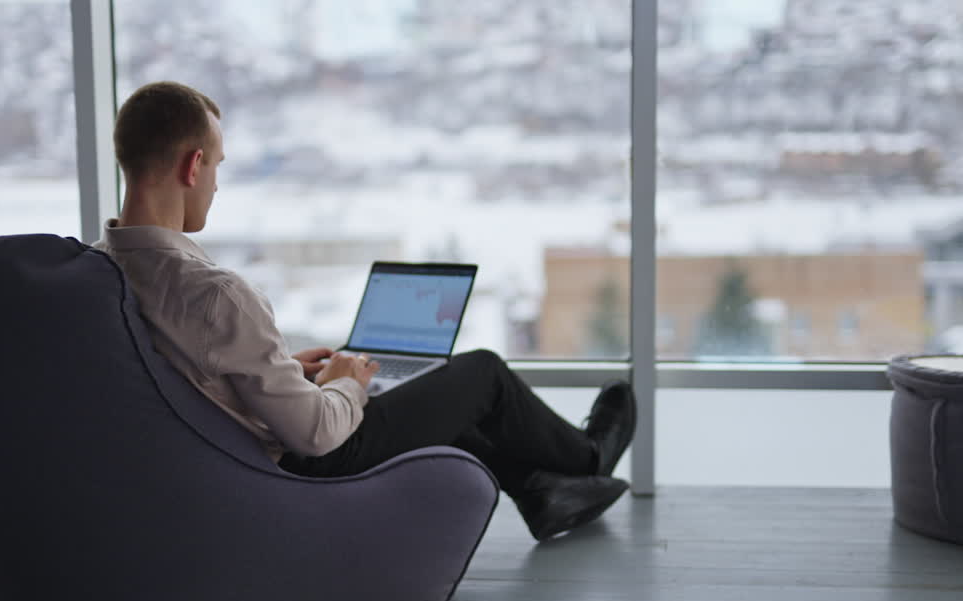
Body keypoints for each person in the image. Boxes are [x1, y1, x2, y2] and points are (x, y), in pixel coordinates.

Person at [95, 81, 637, 541]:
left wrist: (286, 371)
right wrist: (344, 383)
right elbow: (316, 433)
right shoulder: (214, 293)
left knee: (426, 398)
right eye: (216, 164)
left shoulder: (99, 270)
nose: (216, 182)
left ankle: (543, 493)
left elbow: (191, 366)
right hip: (305, 457)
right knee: (482, 374)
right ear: (193, 165)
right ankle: (589, 458)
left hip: (221, 446)